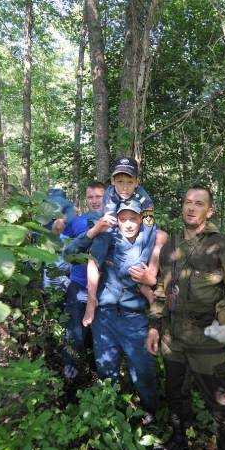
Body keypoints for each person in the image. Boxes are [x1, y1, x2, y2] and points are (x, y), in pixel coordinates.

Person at [144, 185, 225, 450]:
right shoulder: (171, 245)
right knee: (175, 393)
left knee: (220, 404)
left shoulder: (219, 247)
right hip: (173, 338)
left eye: (199, 203)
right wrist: (154, 326)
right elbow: (161, 289)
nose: (191, 208)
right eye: (187, 202)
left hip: (207, 339)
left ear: (210, 210)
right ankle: (180, 437)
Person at [64, 198, 159, 419]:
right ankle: (110, 416)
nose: (128, 224)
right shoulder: (107, 238)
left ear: (141, 219)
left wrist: (151, 282)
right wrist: (91, 302)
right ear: (117, 220)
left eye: (133, 218)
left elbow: (161, 280)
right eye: (123, 219)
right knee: (106, 369)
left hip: (134, 318)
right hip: (104, 317)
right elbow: (78, 258)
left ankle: (151, 411)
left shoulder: (148, 242)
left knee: (143, 369)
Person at [96, 157, 166, 305]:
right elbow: (110, 224)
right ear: (113, 181)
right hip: (119, 230)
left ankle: (149, 279)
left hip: (138, 229)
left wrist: (141, 262)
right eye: (120, 182)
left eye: (130, 182)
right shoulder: (110, 194)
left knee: (160, 236)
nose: (125, 187)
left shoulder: (144, 198)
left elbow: (149, 231)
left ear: (136, 182)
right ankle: (138, 285)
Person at [56, 181, 105, 386]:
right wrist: (57, 223)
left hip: (104, 289)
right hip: (78, 286)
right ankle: (71, 375)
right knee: (74, 333)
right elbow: (58, 238)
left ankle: (99, 377)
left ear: (106, 197)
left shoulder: (115, 220)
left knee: (99, 336)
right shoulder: (78, 221)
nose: (94, 201)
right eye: (90, 197)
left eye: (98, 196)